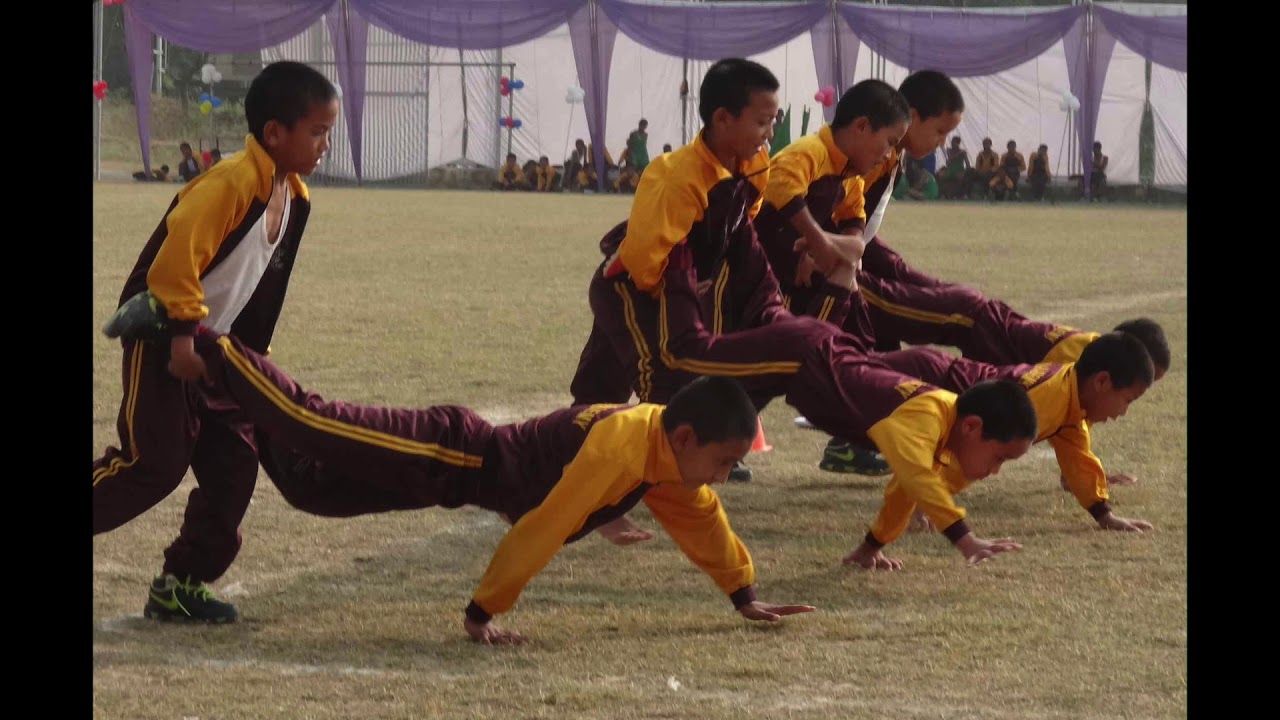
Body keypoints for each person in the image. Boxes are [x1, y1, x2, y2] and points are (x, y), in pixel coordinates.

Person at [195, 332, 818, 644]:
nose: (722, 477)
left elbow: (702, 520)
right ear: (686, 437)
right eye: (723, 461)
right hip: (451, 449)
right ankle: (211, 345)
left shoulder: (663, 455)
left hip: (452, 478)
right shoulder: (624, 444)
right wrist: (482, 615)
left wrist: (743, 595)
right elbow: (544, 527)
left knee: (310, 489)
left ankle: (224, 402)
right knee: (314, 424)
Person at [93, 60, 341, 624]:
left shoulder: (295, 196)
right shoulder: (231, 182)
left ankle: (179, 584)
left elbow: (262, 287)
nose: (325, 144)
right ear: (274, 133)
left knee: (234, 467)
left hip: (216, 351)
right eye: (318, 131)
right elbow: (175, 263)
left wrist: (248, 362)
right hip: (166, 337)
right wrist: (183, 340)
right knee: (152, 466)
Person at [871, 329, 1164, 544]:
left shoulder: (1071, 403)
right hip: (922, 378)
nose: (1123, 412)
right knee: (848, 392)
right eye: (1127, 400)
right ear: (1102, 382)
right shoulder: (1045, 401)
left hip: (928, 375)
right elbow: (964, 454)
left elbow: (1079, 461)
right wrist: (923, 500)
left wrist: (1104, 515)